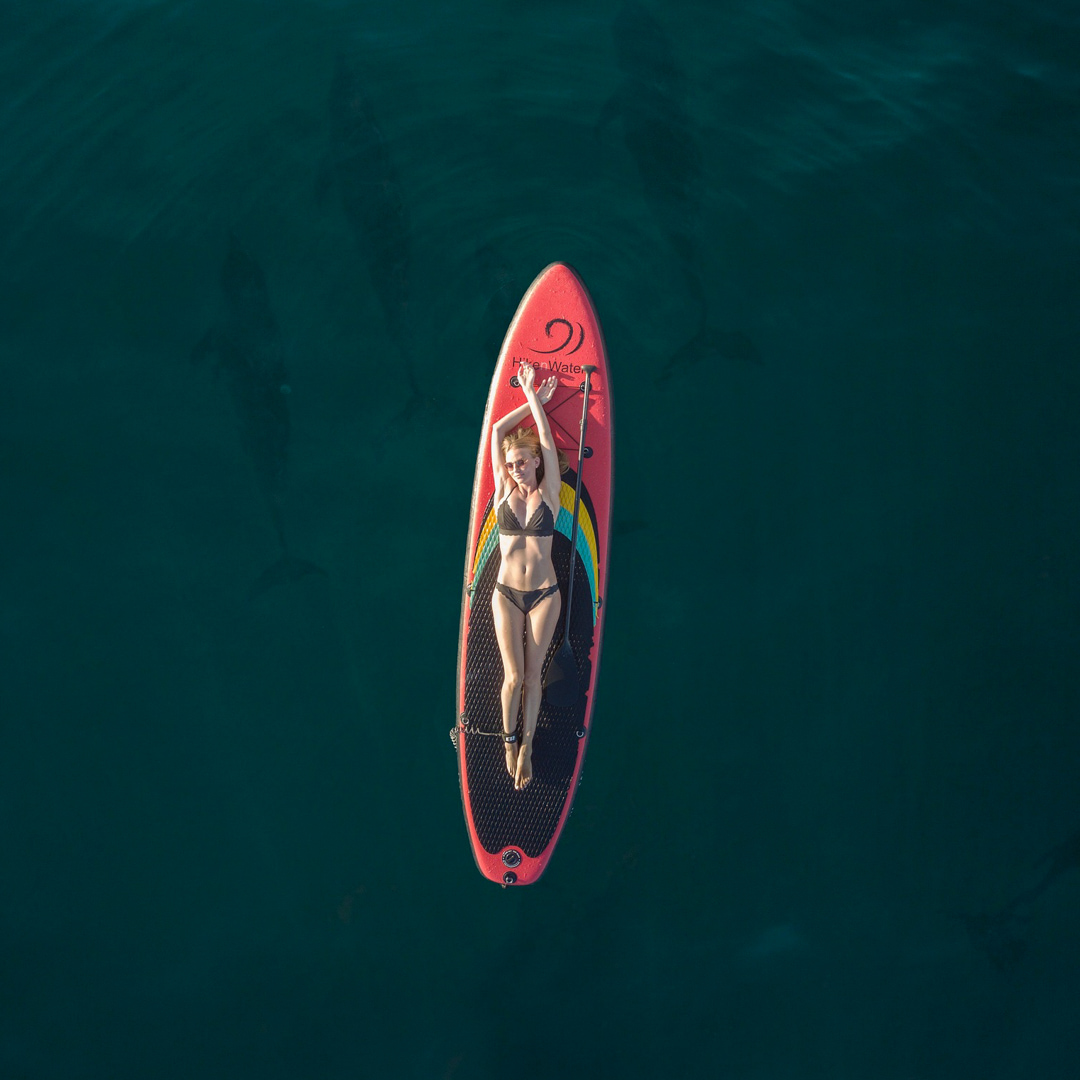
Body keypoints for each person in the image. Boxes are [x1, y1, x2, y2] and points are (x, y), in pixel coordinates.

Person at [490, 362, 568, 790]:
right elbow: (498, 433)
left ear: (535, 460)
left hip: (543, 595)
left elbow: (551, 452)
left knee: (533, 677)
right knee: (513, 678)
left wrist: (537, 404)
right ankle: (507, 741)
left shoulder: (549, 494)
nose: (516, 468)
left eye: (522, 462)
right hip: (505, 593)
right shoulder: (502, 490)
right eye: (511, 465)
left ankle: (528, 747)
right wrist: (530, 395)